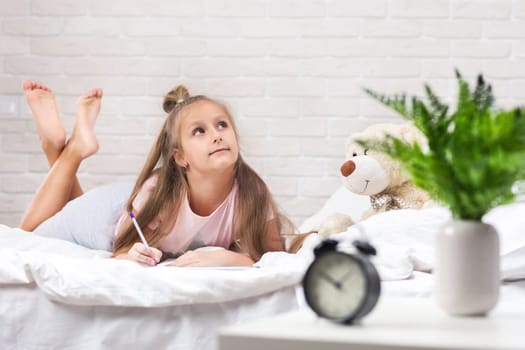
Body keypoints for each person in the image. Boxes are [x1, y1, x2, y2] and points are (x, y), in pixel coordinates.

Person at [19, 80, 289, 267]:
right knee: (25, 237)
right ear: (180, 157)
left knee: (56, 215)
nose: (217, 136)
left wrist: (230, 259)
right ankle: (72, 150)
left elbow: (274, 258)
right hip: (108, 215)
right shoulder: (158, 193)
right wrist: (132, 254)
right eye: (200, 131)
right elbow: (121, 250)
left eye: (222, 125)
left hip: (132, 198)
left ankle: (57, 150)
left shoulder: (252, 193)